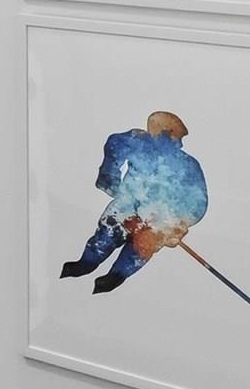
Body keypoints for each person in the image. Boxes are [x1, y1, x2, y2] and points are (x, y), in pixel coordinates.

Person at [60, 111, 207, 293]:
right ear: (164, 133)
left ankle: (116, 276)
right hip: (126, 207)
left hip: (158, 219)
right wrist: (108, 177)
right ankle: (87, 263)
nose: (180, 143)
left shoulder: (188, 165)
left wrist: (178, 224)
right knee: (104, 237)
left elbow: (197, 201)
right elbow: (114, 144)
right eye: (177, 137)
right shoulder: (136, 142)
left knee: (138, 250)